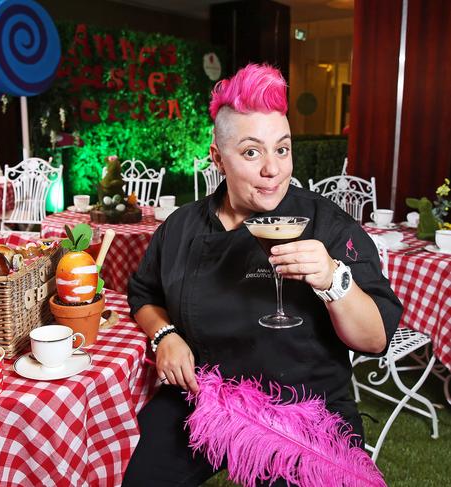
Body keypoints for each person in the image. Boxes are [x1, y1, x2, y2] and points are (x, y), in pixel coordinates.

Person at [123, 64, 402, 486]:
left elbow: (375, 337)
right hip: (204, 395)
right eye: (252, 152)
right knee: (129, 472)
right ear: (218, 157)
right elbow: (143, 295)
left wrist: (333, 280)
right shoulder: (181, 227)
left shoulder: (328, 225)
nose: (273, 169)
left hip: (304, 411)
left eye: (282, 149)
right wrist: (166, 335)